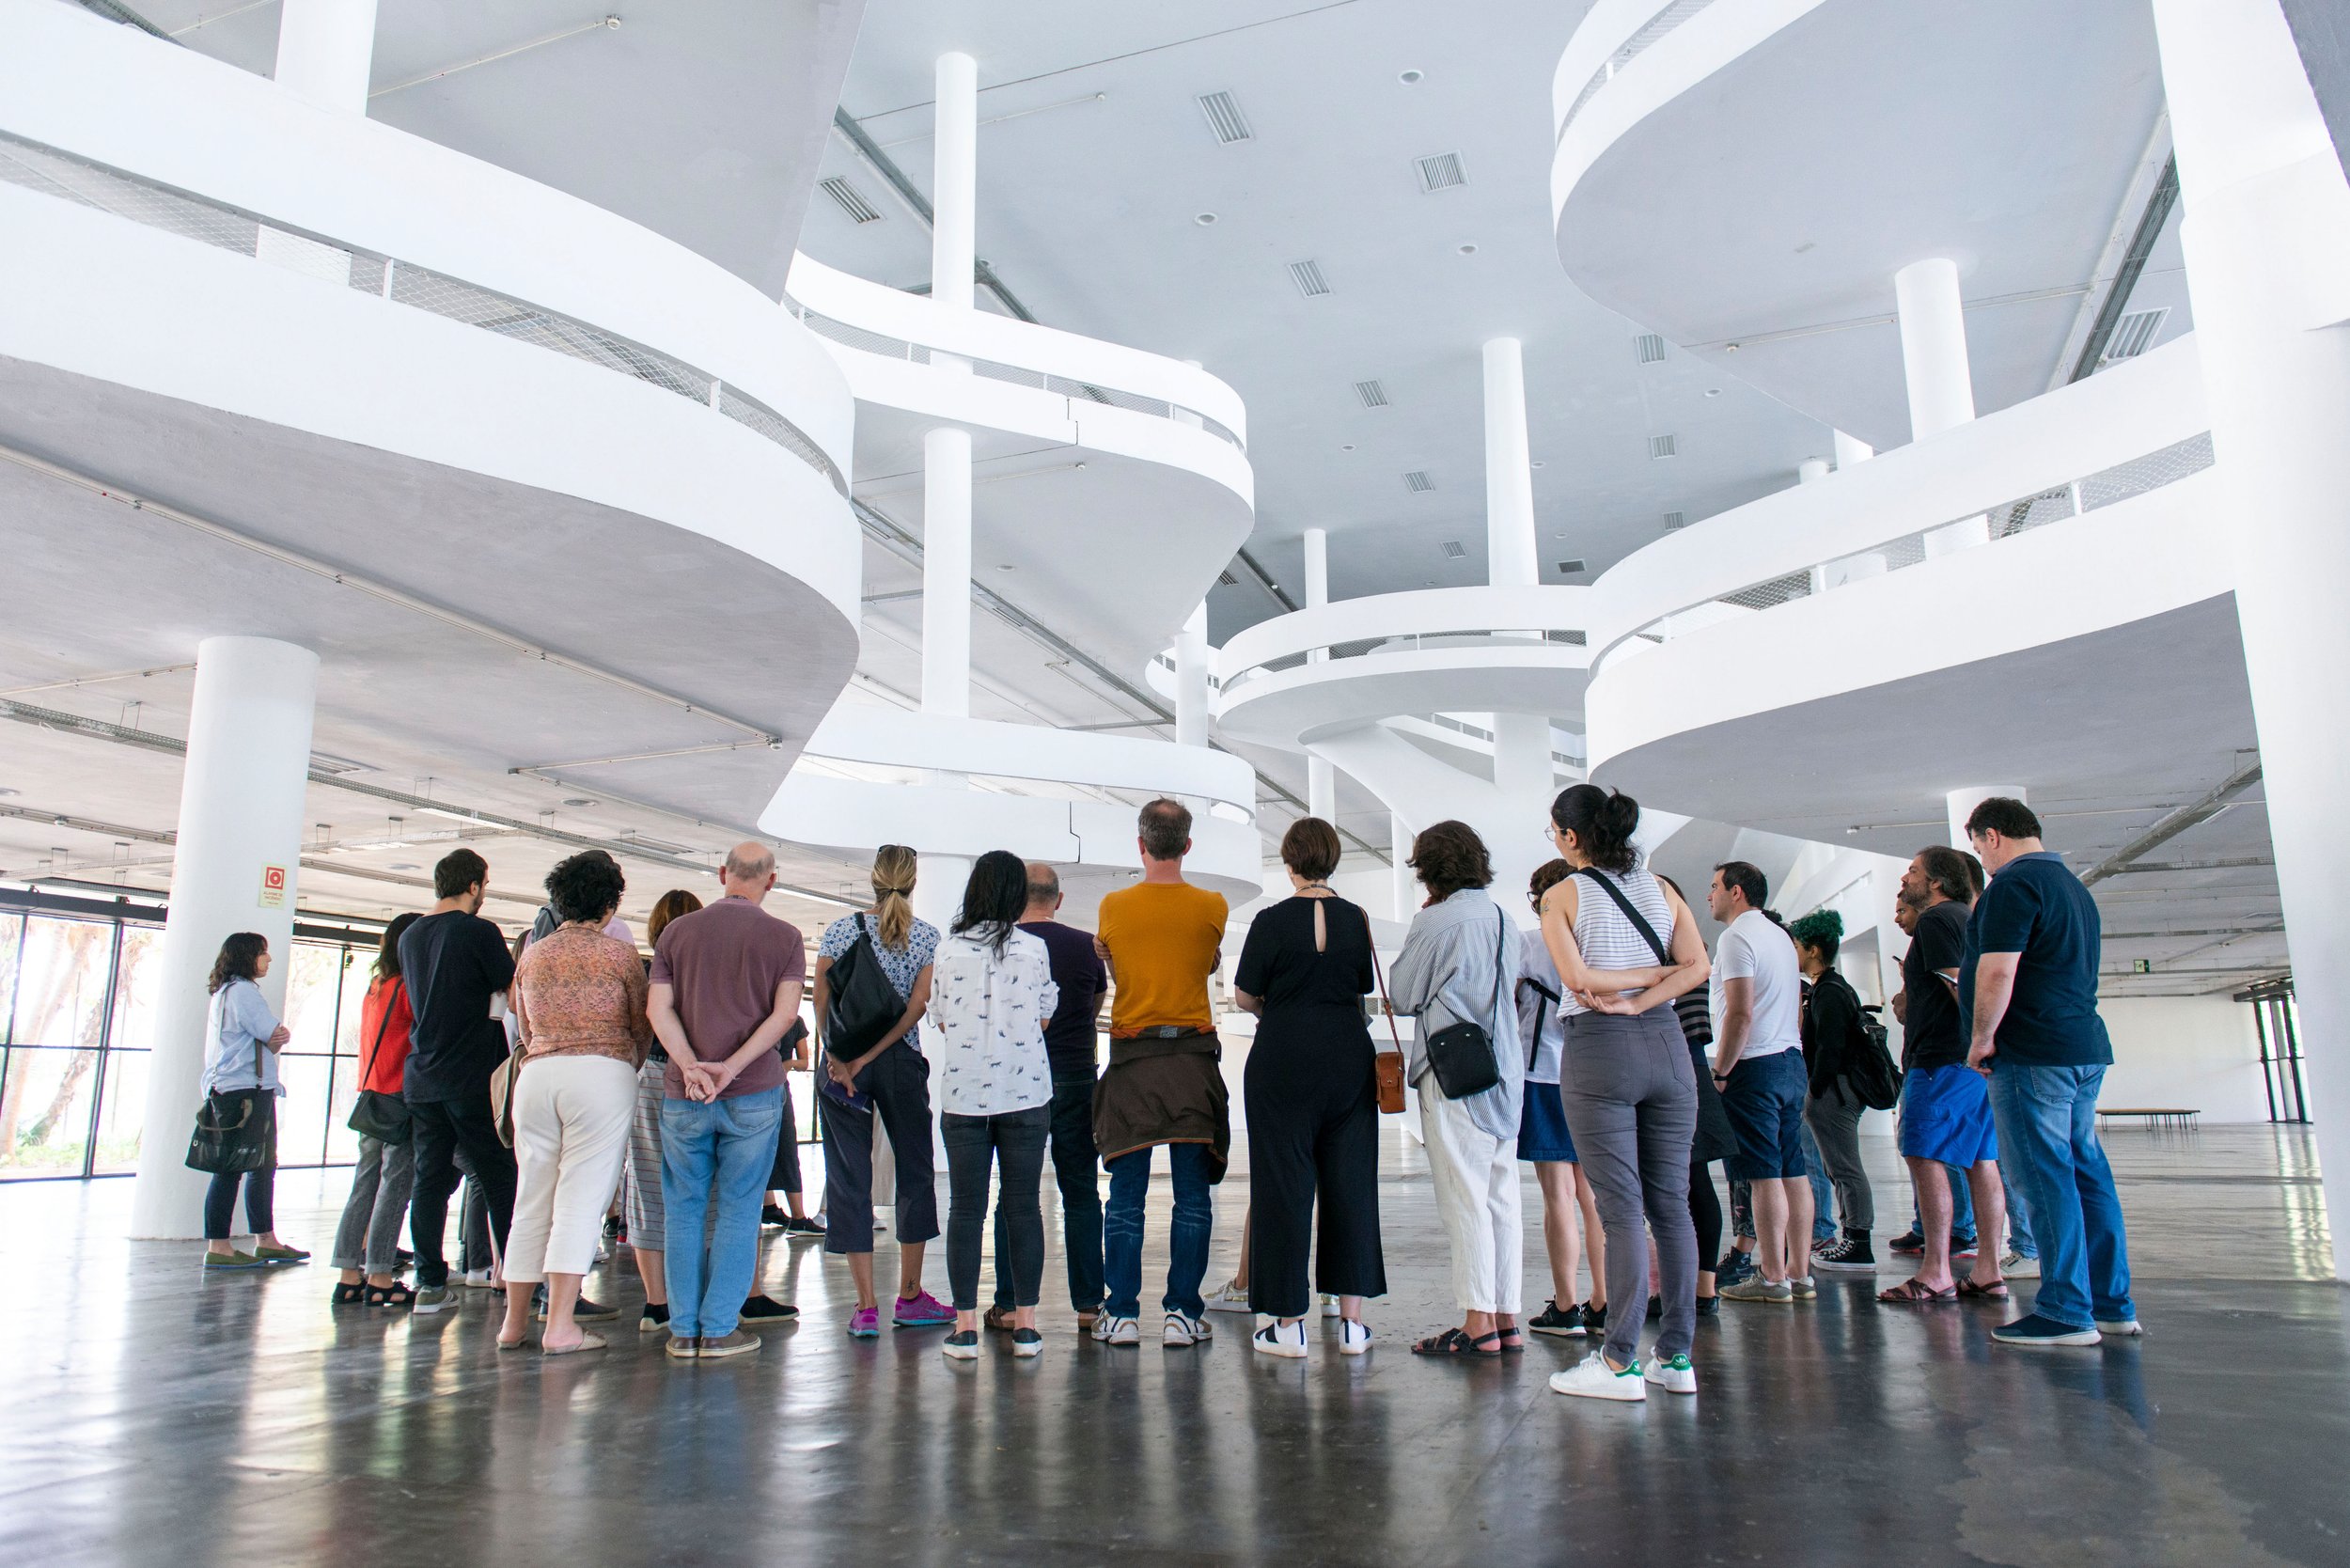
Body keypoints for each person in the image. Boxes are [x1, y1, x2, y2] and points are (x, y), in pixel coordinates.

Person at [1538, 787, 1709, 1400]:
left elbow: (1578, 979)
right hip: (1668, 1048)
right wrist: (1652, 983)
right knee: (1672, 1204)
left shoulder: (1560, 895)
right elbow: (1698, 966)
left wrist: (1626, 993)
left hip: (1600, 1049)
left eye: (1554, 831)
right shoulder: (1660, 888)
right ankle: (1677, 1358)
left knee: (1621, 1210)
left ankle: (1617, 1363)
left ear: (1571, 836)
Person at [1961, 799, 2136, 1347]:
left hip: (2033, 1052)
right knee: (2086, 1172)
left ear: (1992, 836)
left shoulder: (2013, 886)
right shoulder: (2072, 887)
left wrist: (1982, 1038)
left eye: (1977, 848)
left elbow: (1997, 970)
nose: (1981, 861)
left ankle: (2065, 1311)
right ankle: (2112, 1306)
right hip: (2081, 1047)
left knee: (2043, 1176)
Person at [1232, 817, 1385, 1357]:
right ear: (1334, 859)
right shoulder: (1356, 919)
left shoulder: (1270, 921)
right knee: (1351, 1183)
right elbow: (1360, 987)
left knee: (1282, 1184)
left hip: (1283, 1058)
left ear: (1290, 861)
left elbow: (1245, 996)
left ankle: (1288, 1323)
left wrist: (1281, 1005)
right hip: (1347, 1058)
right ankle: (1351, 1325)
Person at [650, 841, 807, 1361]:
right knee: (741, 1210)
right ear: (771, 880)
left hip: (685, 1093)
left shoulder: (677, 932)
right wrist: (733, 1068)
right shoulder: (785, 938)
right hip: (754, 1094)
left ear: (722, 874)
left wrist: (692, 1065)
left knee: (684, 1209)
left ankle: (682, 1330)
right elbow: (785, 1017)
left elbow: (659, 1009)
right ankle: (719, 1330)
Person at [498, 852, 652, 1356]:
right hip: (601, 1075)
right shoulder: (618, 957)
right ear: (610, 906)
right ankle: (561, 1324)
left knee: (532, 1198)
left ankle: (514, 1322)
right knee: (581, 1200)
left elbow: (519, 1021)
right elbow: (639, 1025)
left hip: (537, 1077)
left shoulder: (533, 954)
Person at [1091, 799, 1231, 1348]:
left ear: (1141, 845)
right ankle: (1182, 1314)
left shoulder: (1112, 906)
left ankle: (1122, 1314)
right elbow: (1204, 957)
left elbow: (1123, 963)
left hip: (1133, 1063)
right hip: (1193, 1062)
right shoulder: (1213, 905)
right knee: (1192, 1198)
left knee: (1126, 1197)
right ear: (1189, 845)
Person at [1392, 821, 1525, 1357]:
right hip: (1503, 1070)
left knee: (1462, 1196)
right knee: (1501, 1198)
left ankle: (1477, 1324)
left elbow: (1402, 994)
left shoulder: (1438, 921)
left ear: (1429, 868)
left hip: (1453, 1072)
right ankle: (1506, 1317)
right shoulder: (1504, 917)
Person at [814, 843, 951, 1337]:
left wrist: (838, 1057)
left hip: (842, 1061)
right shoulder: (928, 938)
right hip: (898, 1062)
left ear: (872, 880)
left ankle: (866, 1306)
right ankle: (910, 1297)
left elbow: (822, 996)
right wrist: (874, 1056)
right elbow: (918, 1006)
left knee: (849, 1176)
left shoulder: (840, 930)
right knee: (915, 1171)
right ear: (913, 884)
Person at [929, 852, 1058, 1361]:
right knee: (1023, 1207)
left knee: (966, 1209)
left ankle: (964, 1329)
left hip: (964, 1096)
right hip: (1026, 1095)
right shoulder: (1033, 949)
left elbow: (938, 1016)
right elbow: (1045, 1016)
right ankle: (1025, 1326)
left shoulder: (947, 950)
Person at [1877, 847, 2009, 1307]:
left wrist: (1977, 1040)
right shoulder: (1967, 918)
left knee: (1923, 1156)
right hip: (1967, 1061)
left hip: (1942, 1061)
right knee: (1979, 1161)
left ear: (1935, 882)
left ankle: (1936, 1272)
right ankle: (1988, 1270)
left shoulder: (1936, 920)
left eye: (1913, 871)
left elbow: (1960, 984)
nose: (1905, 877)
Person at [984, 860, 1108, 1333]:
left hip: (1019, 1080)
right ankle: (1089, 1305)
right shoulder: (1084, 946)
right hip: (1076, 1076)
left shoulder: (1004, 948)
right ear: (1059, 900)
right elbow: (1095, 1003)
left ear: (1016, 901)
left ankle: (1010, 1302)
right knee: (1080, 1191)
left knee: (1015, 1193)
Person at [400, 848, 517, 1313]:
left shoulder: (410, 935)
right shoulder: (478, 931)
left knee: (429, 1179)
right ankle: (519, 1278)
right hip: (472, 1074)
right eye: (484, 885)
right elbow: (512, 989)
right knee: (499, 1176)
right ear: (474, 886)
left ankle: (429, 1283)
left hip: (423, 1074)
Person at [1706, 861, 1814, 1306]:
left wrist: (1723, 1070)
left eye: (1714, 887)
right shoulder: (1781, 938)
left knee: (1763, 1173)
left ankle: (1771, 1277)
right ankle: (1798, 1273)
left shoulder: (1737, 937)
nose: (1708, 895)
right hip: (1790, 1060)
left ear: (1736, 891)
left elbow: (1740, 1011)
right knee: (1793, 1169)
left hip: (1754, 1065)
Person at [1517, 859, 1607, 1339]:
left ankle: (1566, 1306)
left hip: (1542, 1078)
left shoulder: (1529, 945)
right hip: (1592, 1077)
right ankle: (1603, 1301)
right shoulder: (1592, 945)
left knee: (1558, 1199)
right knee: (1594, 1198)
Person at [198, 933, 302, 1270]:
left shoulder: (226, 992)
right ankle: (220, 1246)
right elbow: (273, 1032)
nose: (268, 959)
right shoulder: (243, 992)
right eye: (263, 953)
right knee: (232, 1170)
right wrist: (277, 1036)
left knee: (260, 1165)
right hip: (244, 1091)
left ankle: (265, 1239)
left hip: (237, 1088)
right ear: (247, 957)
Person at [332, 912, 419, 1305]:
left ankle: (349, 1274)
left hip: (370, 1098)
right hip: (399, 1098)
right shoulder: (408, 989)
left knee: (363, 1185)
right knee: (394, 1189)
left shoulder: (376, 986)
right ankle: (381, 1277)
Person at [1656, 873, 1732, 1316]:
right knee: (1692, 1181)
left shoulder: (1676, 952)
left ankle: (1695, 1289)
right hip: (1692, 1063)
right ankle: (1699, 1288)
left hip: (1677, 1061)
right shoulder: (1693, 947)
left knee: (1685, 1183)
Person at [624, 888, 697, 1334]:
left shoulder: (642, 972)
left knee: (647, 1183)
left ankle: (656, 1303)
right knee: (702, 1185)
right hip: (694, 1080)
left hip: (647, 1079)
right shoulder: (703, 973)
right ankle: (700, 1296)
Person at [1793, 911, 1877, 1272]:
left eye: (1797, 946)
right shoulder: (1832, 987)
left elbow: (1829, 1047)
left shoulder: (1827, 991)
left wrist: (1815, 1089)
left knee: (1845, 1168)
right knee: (1838, 1168)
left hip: (1835, 1092)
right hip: (1836, 1090)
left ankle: (1859, 1242)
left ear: (1813, 949)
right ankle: (1852, 1236)